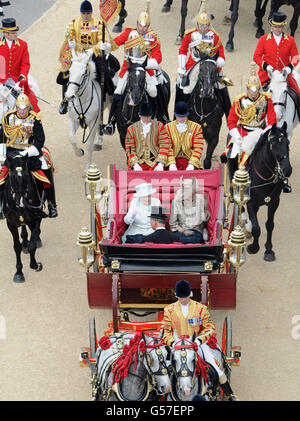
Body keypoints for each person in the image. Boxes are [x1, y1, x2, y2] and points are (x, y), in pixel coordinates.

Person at [162, 279, 238, 401]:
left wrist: (199, 340)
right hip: (177, 344)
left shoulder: (201, 308)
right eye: (180, 298)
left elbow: (210, 327)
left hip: (197, 343)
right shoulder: (169, 310)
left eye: (185, 297)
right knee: (162, 369)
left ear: (190, 294)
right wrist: (172, 342)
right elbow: (165, 331)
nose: (183, 300)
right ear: (177, 296)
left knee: (214, 366)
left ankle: (230, 394)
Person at [103, 3, 169, 135]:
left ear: (148, 26)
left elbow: (157, 57)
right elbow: (115, 43)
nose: (142, 28)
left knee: (154, 90)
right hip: (129, 69)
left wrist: (148, 64)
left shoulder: (153, 37)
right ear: (137, 24)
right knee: (118, 91)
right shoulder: (129, 33)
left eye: (145, 26)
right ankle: (111, 121)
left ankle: (163, 116)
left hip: (146, 69)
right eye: (140, 25)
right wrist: (106, 46)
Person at [0, 92, 57, 219]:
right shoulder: (7, 118)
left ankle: (51, 203)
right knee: (1, 173)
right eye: (19, 108)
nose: (21, 111)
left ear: (28, 108)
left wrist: (26, 153)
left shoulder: (35, 119)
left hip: (29, 153)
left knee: (46, 167)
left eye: (24, 108)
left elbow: (40, 140)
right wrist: (3, 154)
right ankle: (1, 204)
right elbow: (2, 137)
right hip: (12, 153)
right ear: (16, 107)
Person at [57, 0, 120, 115]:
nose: (86, 16)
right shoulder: (73, 23)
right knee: (66, 73)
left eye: (88, 13)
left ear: (91, 13)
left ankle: (111, 94)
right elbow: (69, 36)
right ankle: (65, 101)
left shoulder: (98, 24)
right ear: (81, 13)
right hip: (78, 55)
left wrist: (93, 49)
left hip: (93, 54)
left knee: (104, 72)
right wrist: (70, 42)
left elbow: (102, 41)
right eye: (84, 13)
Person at [176, 2, 231, 117]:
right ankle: (179, 115)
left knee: (224, 84)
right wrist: (181, 67)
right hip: (194, 63)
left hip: (211, 64)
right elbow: (182, 50)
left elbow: (221, 54)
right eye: (201, 25)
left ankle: (229, 116)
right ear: (197, 24)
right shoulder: (189, 35)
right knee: (183, 86)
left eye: (206, 25)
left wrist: (218, 62)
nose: (203, 28)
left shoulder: (215, 36)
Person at [222, 63, 277, 175]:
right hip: (242, 132)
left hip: (260, 132)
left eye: (256, 88)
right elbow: (231, 121)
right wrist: (237, 137)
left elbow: (272, 120)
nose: (254, 91)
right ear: (247, 88)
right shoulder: (240, 101)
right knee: (233, 154)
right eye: (251, 89)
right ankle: (233, 179)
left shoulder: (266, 99)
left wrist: (264, 133)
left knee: (275, 152)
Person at [253, 11, 300, 94]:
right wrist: (266, 66)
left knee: (297, 92)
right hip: (266, 75)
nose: (277, 29)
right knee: (253, 93)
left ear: (283, 27)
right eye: (275, 26)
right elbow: (256, 56)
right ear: (271, 26)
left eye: (280, 27)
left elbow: (295, 57)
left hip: (284, 75)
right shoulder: (263, 39)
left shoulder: (290, 40)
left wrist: (289, 67)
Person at [0, 18, 40, 113]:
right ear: (6, 33)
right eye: (13, 33)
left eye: (15, 32)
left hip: (15, 79)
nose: (16, 34)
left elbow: (25, 64)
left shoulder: (22, 45)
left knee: (29, 101)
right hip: (1, 79)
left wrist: (20, 81)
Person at [125, 102, 169, 171]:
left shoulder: (159, 126)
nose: (147, 119)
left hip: (155, 162)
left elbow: (165, 144)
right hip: (139, 162)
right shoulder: (131, 129)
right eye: (144, 116)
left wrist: (160, 163)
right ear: (139, 115)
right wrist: (135, 164)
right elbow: (130, 148)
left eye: (149, 116)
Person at [169, 177, 210, 244]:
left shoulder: (200, 200)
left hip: (196, 231)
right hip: (180, 231)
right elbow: (173, 224)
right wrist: (183, 231)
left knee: (194, 238)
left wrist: (205, 210)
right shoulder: (176, 201)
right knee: (182, 239)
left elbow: (204, 220)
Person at [166, 102, 204, 171]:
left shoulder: (196, 127)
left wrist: (192, 163)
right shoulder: (168, 127)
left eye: (183, 116)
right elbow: (167, 147)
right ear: (175, 115)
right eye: (179, 116)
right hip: (174, 159)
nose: (181, 119)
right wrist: (171, 163)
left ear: (187, 115)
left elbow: (198, 147)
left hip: (189, 159)